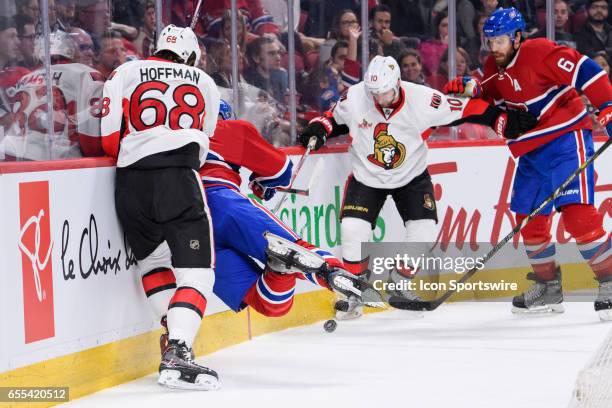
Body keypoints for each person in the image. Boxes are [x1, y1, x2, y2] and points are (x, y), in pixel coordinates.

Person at [298, 55, 538, 319]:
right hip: (366, 177)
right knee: (353, 229)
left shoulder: (424, 100)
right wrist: (318, 130)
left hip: (412, 176)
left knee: (423, 229)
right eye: (374, 93)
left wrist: (502, 120)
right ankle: (355, 292)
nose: (379, 99)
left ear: (398, 83)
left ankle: (399, 282)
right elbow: (333, 118)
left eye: (385, 92)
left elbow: (469, 109)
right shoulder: (356, 97)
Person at [444, 7, 612, 320]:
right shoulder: (494, 64)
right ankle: (548, 287)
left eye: (501, 41)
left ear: (518, 37)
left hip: (566, 139)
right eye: (490, 41)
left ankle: (609, 280)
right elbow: (491, 91)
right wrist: (471, 88)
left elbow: (588, 71)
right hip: (530, 152)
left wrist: (608, 107)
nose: (494, 47)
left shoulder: (541, 52)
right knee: (529, 219)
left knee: (578, 216)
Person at [100, 24, 221, 390]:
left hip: (130, 182)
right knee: (198, 274)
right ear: (189, 55)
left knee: (153, 262)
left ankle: (172, 334)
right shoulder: (204, 81)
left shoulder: (124, 71)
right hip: (178, 179)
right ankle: (180, 350)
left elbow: (108, 140)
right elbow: (207, 138)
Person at [194, 101, 366, 320]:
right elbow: (281, 169)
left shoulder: (168, 137)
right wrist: (262, 183)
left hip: (182, 223)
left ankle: (279, 269)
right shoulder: (226, 128)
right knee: (297, 247)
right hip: (221, 202)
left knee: (267, 304)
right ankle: (331, 272)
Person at [1, 30, 104, 160]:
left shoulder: (25, 78)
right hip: (59, 158)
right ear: (70, 49)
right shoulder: (85, 73)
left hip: (15, 152)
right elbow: (91, 136)